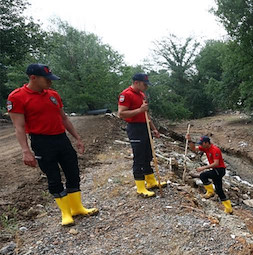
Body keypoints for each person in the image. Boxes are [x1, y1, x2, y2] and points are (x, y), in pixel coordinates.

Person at [7, 63, 98, 226]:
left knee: (73, 172)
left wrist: (77, 137)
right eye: (46, 79)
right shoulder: (17, 97)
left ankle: (77, 208)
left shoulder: (53, 95)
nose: (50, 82)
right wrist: (25, 151)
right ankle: (66, 213)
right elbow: (18, 127)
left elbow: (64, 118)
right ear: (33, 78)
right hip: (41, 141)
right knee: (54, 177)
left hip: (61, 138)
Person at [117, 73, 164, 197]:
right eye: (144, 84)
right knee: (139, 157)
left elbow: (146, 114)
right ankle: (140, 187)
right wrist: (139, 110)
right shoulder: (126, 94)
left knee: (148, 154)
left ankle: (151, 181)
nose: (146, 87)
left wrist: (154, 129)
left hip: (145, 127)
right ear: (136, 82)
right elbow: (121, 114)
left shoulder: (142, 94)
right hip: (135, 128)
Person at [185, 134, 233, 213]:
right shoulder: (205, 148)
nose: (201, 145)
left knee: (203, 175)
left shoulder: (215, 150)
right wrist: (190, 140)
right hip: (215, 170)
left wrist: (203, 168)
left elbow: (216, 163)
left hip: (219, 170)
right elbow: (193, 148)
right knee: (219, 190)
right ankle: (229, 208)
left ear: (207, 143)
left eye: (202, 143)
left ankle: (210, 192)